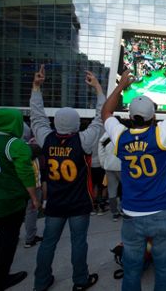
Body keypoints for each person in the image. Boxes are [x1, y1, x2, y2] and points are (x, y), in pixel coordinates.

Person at [101, 64, 166, 291]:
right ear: (154, 117)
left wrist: (121, 86)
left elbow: (105, 113)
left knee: (132, 271)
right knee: (163, 270)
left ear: (130, 117)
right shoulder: (161, 133)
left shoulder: (121, 137)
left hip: (132, 214)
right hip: (162, 213)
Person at [30, 65, 105, 291]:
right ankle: (80, 281)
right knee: (79, 243)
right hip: (79, 203)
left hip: (54, 203)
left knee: (47, 246)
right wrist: (99, 90)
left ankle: (40, 283)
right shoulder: (82, 141)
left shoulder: (46, 138)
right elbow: (100, 119)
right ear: (75, 123)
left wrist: (36, 88)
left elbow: (37, 118)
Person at [0, 109, 39, 291]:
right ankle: (0, 278)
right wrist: (33, 197)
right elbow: (25, 173)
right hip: (9, 201)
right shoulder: (15, 144)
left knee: (0, 236)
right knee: (9, 238)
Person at [98, 131, 122, 221]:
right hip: (121, 166)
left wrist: (103, 163)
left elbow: (101, 150)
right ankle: (126, 210)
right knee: (127, 189)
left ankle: (114, 213)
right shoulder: (123, 133)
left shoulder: (105, 135)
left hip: (109, 166)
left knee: (112, 190)